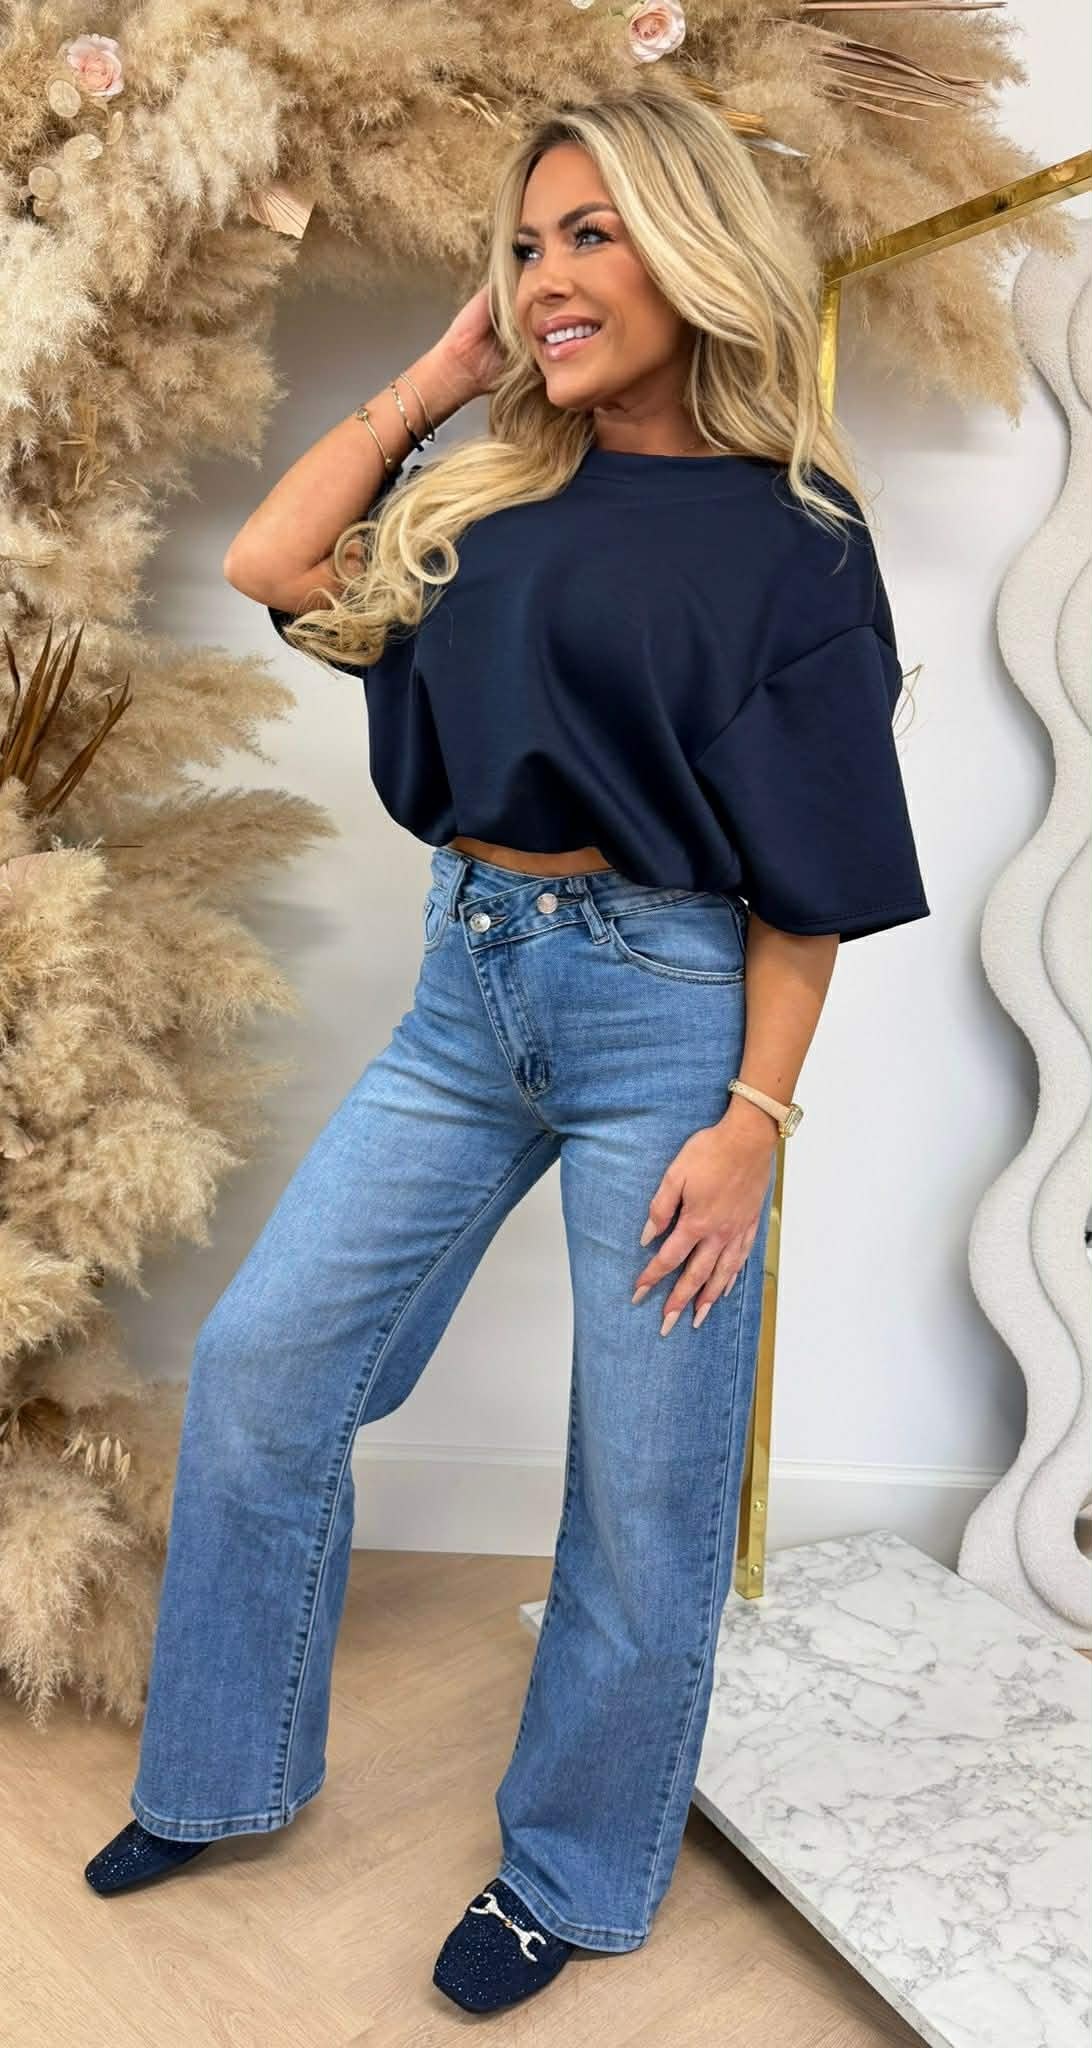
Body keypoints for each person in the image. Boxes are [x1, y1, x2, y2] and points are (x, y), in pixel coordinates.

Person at [83, 84, 930, 2016]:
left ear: (694, 252)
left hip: (667, 1017)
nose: (549, 275)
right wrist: (444, 376)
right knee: (268, 1366)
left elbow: (810, 877)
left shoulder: (796, 541)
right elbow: (272, 564)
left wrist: (755, 1117)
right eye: (530, 244)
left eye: (593, 235)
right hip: (466, 997)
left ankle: (567, 1875)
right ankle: (223, 1775)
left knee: (643, 1480)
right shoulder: (491, 490)